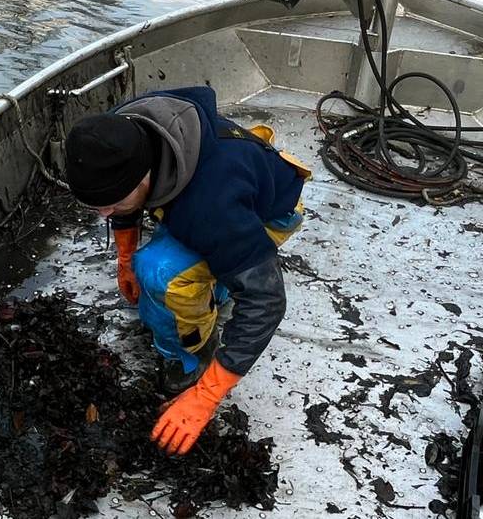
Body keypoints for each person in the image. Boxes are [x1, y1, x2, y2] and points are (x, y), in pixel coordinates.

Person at [63, 86, 311, 455]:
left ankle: (189, 357)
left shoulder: (210, 208)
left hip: (266, 212)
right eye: (95, 207)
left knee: (159, 273)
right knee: (155, 257)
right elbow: (122, 200)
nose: (104, 215)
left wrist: (205, 397)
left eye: (112, 205)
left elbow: (267, 301)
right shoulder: (122, 132)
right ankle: (217, 275)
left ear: (144, 177)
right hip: (226, 188)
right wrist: (124, 258)